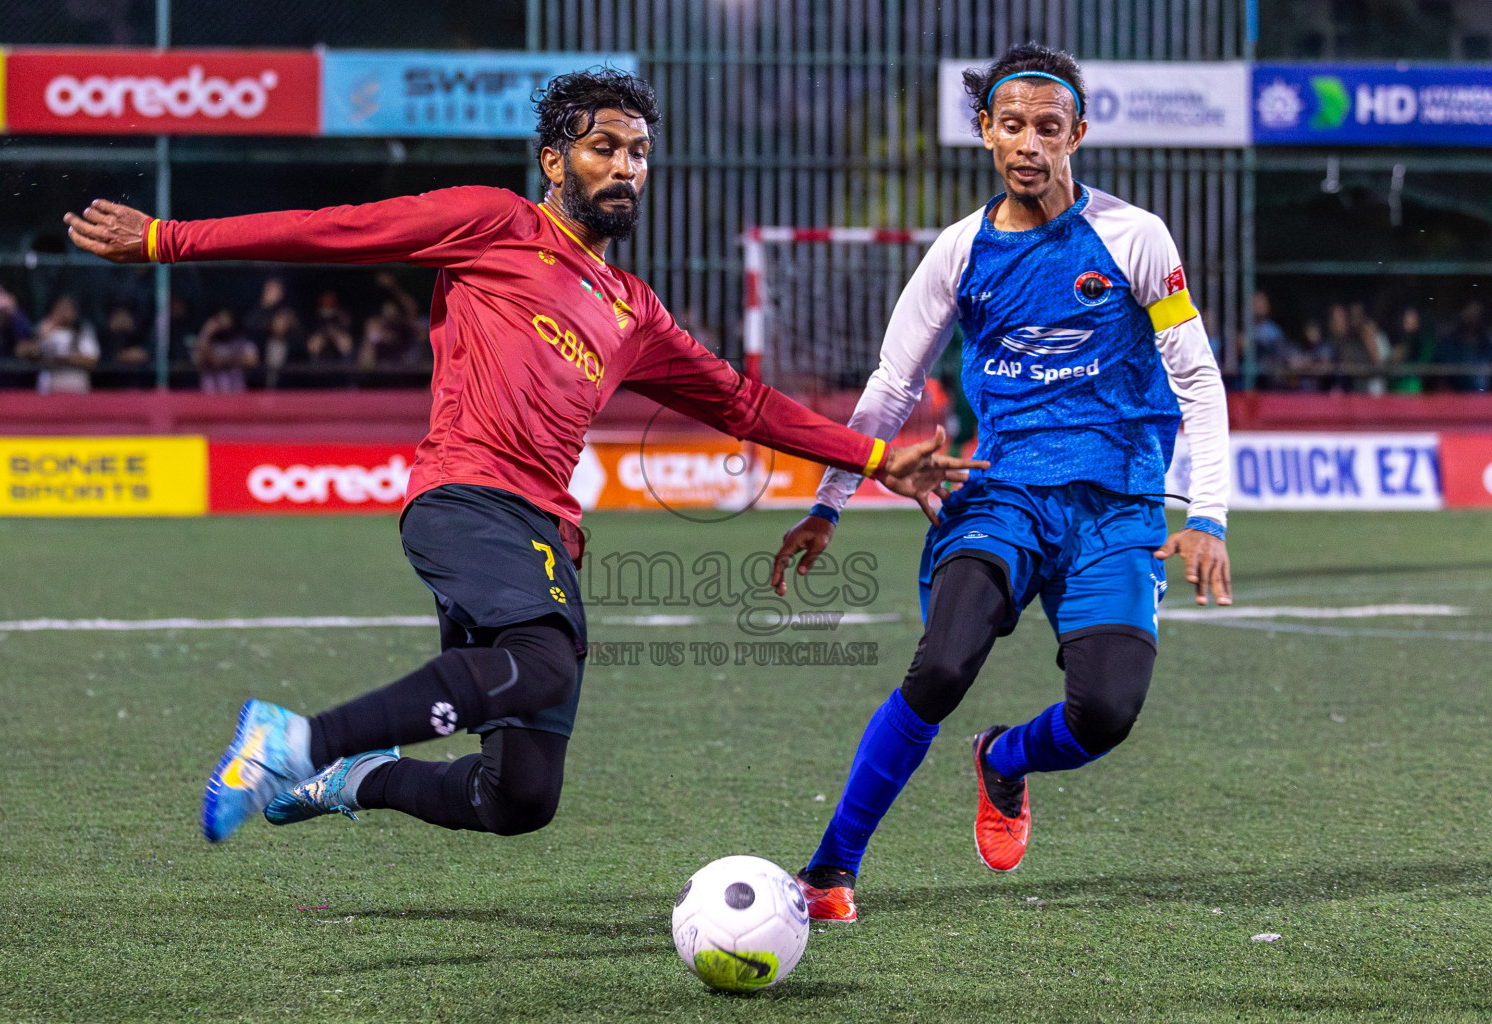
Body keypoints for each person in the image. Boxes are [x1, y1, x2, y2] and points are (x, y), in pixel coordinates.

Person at [64, 68, 981, 845]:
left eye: (638, 153)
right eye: (604, 148)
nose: (626, 167)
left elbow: (742, 402)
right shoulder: (492, 224)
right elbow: (337, 229)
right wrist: (165, 239)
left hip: (542, 529)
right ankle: (291, 740)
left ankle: (349, 778)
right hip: (466, 499)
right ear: (555, 162)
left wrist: (873, 457)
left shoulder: (634, 310)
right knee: (540, 666)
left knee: (519, 797)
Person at [769, 44, 1232, 922]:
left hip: (1117, 505)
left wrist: (1206, 514)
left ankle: (1005, 761)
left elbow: (1198, 380)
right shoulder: (959, 251)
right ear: (985, 133)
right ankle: (830, 870)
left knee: (1106, 714)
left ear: (1078, 135)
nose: (1030, 143)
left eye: (1048, 128)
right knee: (942, 665)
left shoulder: (1135, 236)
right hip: (1001, 494)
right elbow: (891, 387)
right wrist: (828, 503)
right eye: (1011, 124)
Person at [16, 293, 99, 395]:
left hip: (76, 387)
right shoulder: (45, 329)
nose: (63, 312)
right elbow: (22, 352)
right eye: (60, 308)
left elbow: (91, 359)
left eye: (67, 308)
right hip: (49, 388)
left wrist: (64, 359)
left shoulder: (82, 330)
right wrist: (41, 336)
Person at [192, 308, 258, 394]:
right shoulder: (208, 342)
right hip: (211, 395)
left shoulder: (240, 340)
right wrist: (207, 332)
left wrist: (227, 361)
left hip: (235, 394)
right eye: (220, 320)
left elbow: (252, 360)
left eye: (227, 320)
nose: (224, 324)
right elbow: (204, 360)